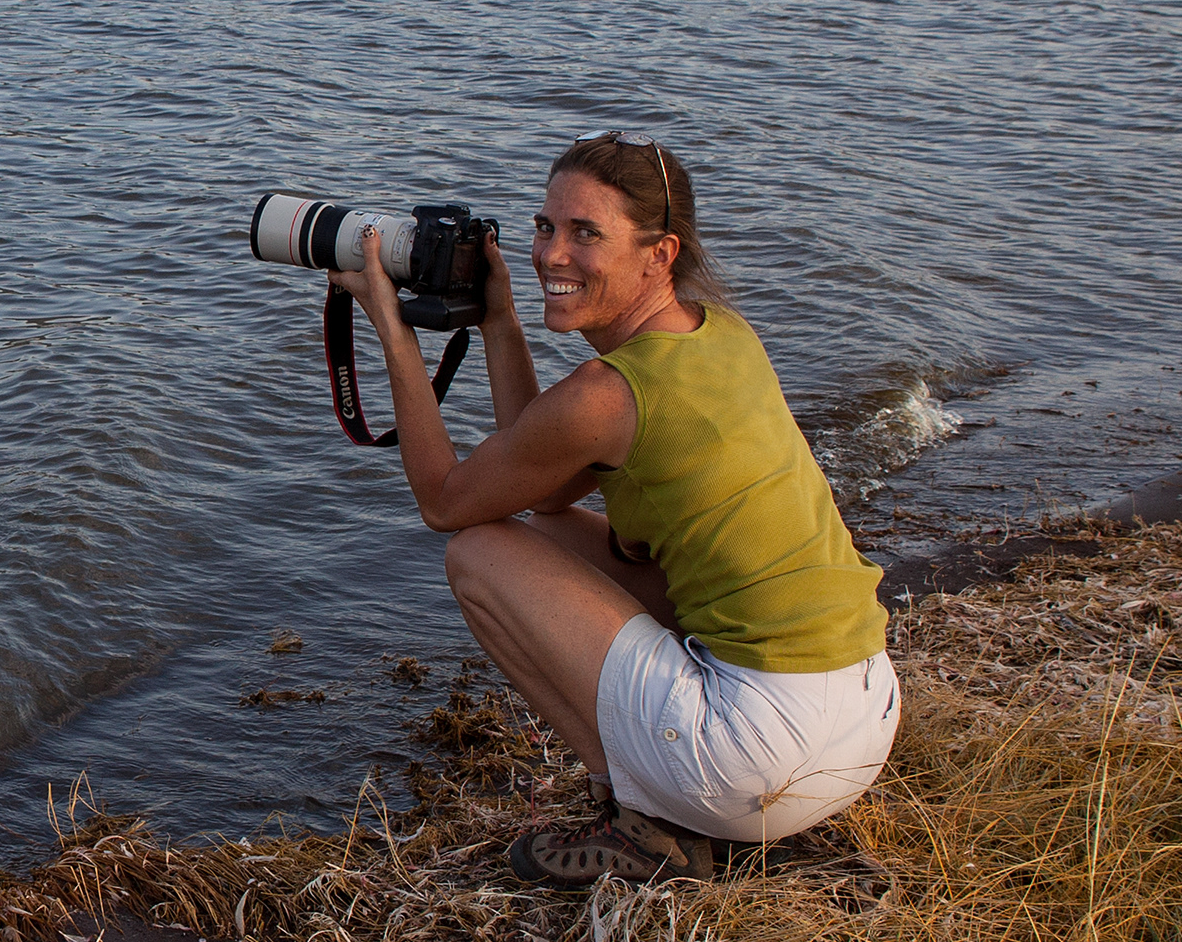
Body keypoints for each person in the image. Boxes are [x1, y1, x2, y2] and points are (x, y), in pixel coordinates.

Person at [338, 133, 896, 885]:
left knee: (475, 552)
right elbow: (545, 486)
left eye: (585, 234)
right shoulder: (724, 335)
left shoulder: (608, 395)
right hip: (860, 724)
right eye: (544, 227)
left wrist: (394, 335)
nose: (551, 254)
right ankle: (671, 796)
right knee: (551, 529)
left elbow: (447, 502)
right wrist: (500, 323)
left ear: (659, 255)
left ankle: (642, 822)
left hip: (754, 759)